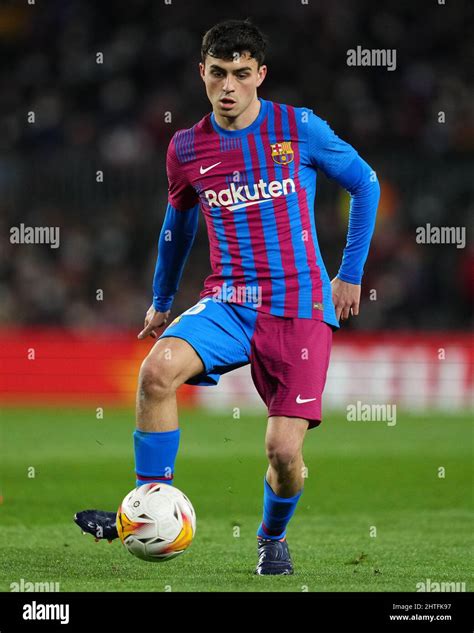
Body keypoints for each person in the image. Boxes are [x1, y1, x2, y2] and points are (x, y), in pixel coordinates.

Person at [75, 18, 380, 575]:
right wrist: (162, 300)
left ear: (261, 75)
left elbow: (365, 182)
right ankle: (146, 509)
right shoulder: (186, 147)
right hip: (230, 301)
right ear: (203, 74)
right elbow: (178, 225)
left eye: (241, 74)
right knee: (156, 373)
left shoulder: (300, 128)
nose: (229, 87)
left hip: (300, 307)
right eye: (218, 74)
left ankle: (270, 537)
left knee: (284, 456)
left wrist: (350, 274)